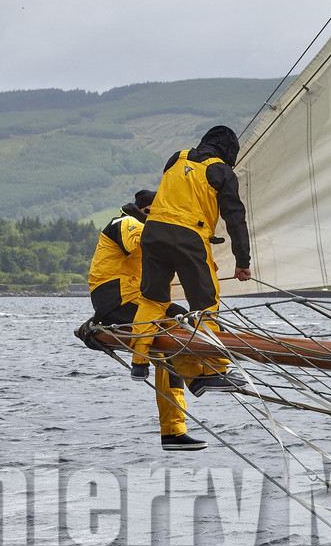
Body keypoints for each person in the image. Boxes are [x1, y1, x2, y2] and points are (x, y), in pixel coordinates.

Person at [131, 125, 252, 396]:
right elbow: (235, 218)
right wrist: (242, 260)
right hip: (188, 238)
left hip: (153, 233)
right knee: (204, 304)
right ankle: (214, 370)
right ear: (229, 152)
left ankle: (138, 363)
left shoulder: (176, 157)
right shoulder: (222, 171)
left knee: (152, 299)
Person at [88, 190, 207, 452]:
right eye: (158, 212)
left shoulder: (147, 227)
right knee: (177, 329)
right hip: (118, 301)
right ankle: (196, 377)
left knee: (185, 324)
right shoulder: (125, 223)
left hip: (140, 302)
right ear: (145, 211)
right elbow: (144, 242)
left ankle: (174, 432)